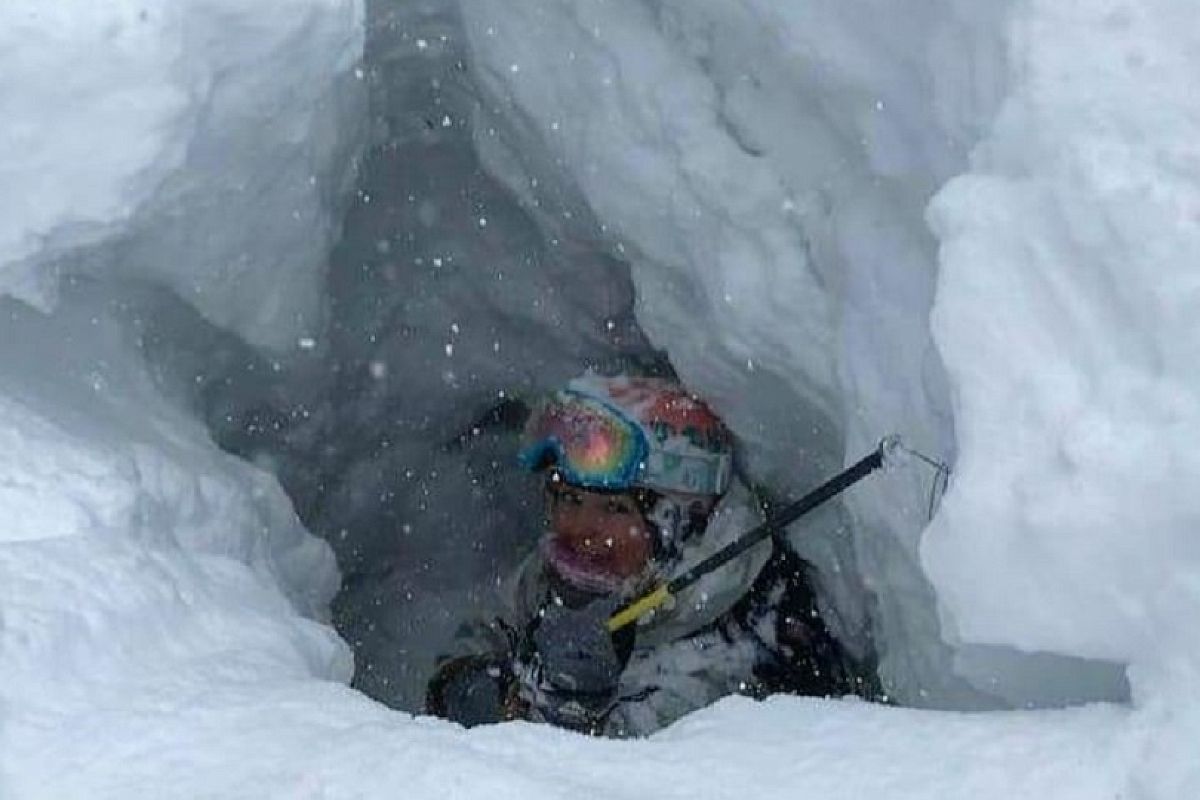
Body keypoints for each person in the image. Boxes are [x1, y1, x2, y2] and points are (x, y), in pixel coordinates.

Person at [425, 372, 875, 736]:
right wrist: (470, 688)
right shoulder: (576, 570)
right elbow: (490, 628)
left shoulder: (748, 654)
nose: (581, 528)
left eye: (614, 508)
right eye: (569, 498)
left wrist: (574, 720)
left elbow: (632, 775)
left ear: (676, 523)